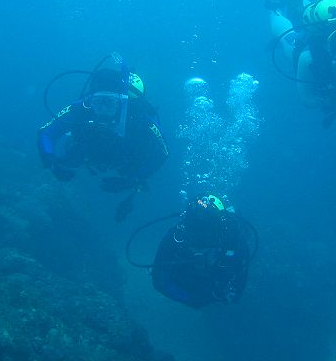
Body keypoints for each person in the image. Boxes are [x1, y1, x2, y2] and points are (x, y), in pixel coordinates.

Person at [37, 63, 169, 220]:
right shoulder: (81, 107)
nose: (104, 110)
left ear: (122, 102)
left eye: (111, 103)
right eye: (98, 102)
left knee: (132, 170)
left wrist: (133, 180)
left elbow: (163, 151)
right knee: (71, 157)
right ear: (90, 100)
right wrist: (50, 161)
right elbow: (46, 132)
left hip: (126, 159)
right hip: (87, 153)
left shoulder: (138, 115)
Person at [151, 194, 253, 308]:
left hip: (213, 292)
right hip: (196, 290)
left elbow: (238, 286)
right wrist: (192, 299)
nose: (201, 235)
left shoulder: (230, 240)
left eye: (208, 226)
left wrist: (212, 297)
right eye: (196, 226)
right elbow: (159, 280)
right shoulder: (176, 237)